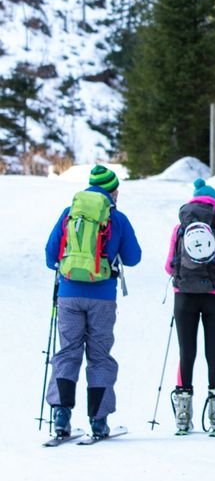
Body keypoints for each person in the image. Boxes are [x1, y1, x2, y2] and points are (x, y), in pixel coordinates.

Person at [43, 165, 141, 439]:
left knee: (68, 351)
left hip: (69, 294)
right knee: (99, 356)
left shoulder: (69, 214)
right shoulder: (116, 218)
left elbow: (51, 255)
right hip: (102, 297)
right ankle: (99, 421)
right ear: (113, 191)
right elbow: (133, 257)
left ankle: (61, 417)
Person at [164, 178, 215, 436]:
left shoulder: (180, 228)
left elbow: (169, 266)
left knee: (186, 352)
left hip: (184, 296)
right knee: (214, 353)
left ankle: (183, 417)